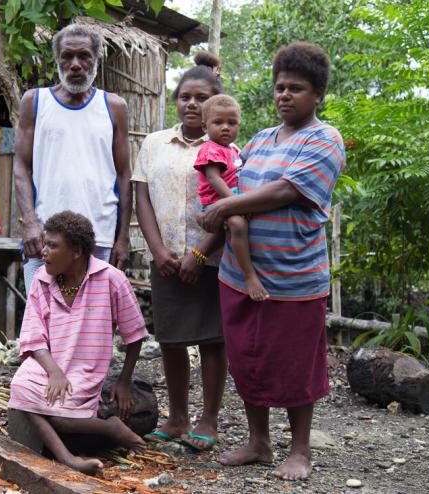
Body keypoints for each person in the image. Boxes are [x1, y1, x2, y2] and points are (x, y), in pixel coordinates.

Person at [198, 42, 345, 481]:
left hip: (294, 275)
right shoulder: (260, 139)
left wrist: (226, 208)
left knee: (298, 362)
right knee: (248, 356)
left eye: (296, 89)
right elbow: (228, 185)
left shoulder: (324, 139)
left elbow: (285, 191)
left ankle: (300, 449)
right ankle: (258, 442)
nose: (284, 95)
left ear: (317, 94)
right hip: (239, 275)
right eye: (280, 87)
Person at [132, 51, 228, 452]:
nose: (192, 103)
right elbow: (142, 197)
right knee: (171, 339)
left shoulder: (225, 146)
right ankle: (177, 418)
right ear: (176, 101)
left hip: (212, 258)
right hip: (166, 260)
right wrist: (158, 251)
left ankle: (208, 420)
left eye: (201, 97)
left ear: (214, 103)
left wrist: (201, 254)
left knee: (211, 339)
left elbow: (233, 204)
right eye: (185, 96)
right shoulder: (154, 144)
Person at [8, 211, 148, 475]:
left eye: (52, 246)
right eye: (45, 244)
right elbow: (33, 335)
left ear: (76, 251)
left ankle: (111, 427)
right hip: (49, 364)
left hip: (85, 367)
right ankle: (68, 459)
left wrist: (124, 380)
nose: (44, 252)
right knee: (19, 388)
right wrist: (54, 372)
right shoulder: (41, 280)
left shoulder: (111, 279)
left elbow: (135, 333)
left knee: (63, 419)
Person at [13, 23, 132, 295]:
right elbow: (21, 166)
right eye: (67, 56)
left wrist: (122, 237)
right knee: (42, 322)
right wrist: (30, 223)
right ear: (57, 60)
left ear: (95, 60)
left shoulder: (114, 107)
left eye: (84, 56)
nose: (75, 64)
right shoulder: (35, 102)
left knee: (91, 323)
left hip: (99, 235)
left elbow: (125, 175)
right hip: (44, 236)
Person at [193, 94, 268, 301]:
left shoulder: (233, 150)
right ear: (204, 126)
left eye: (231, 123)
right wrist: (237, 204)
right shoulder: (209, 149)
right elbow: (213, 178)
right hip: (216, 202)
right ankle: (249, 275)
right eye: (218, 122)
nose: (225, 127)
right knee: (237, 225)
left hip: (231, 199)